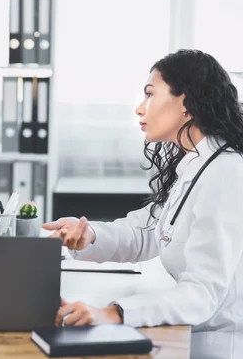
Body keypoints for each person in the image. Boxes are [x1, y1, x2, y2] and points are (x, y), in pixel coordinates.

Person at [43, 49, 243, 359]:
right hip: (191, 337)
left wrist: (115, 313)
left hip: (217, 346)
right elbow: (148, 231)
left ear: (186, 103)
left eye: (150, 95)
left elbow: (202, 294)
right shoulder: (197, 164)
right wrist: (88, 234)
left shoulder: (225, 172)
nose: (139, 109)